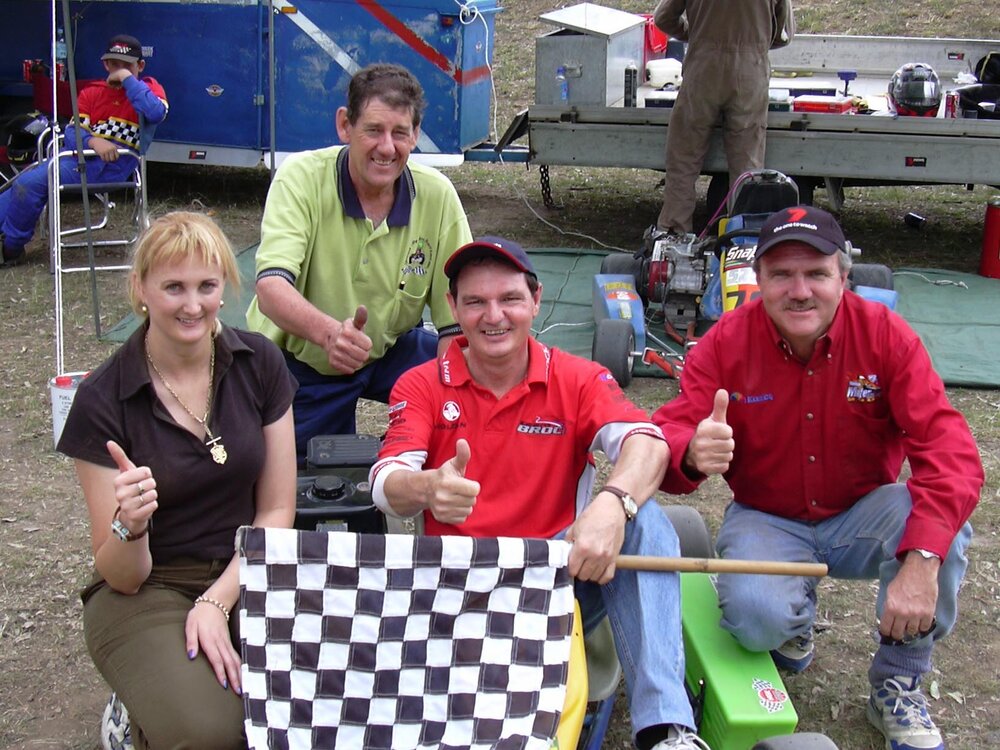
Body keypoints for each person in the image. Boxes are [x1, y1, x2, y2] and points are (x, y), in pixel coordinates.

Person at [652, 206, 982, 750]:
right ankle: (792, 620)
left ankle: (897, 682)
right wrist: (690, 453)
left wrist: (922, 560)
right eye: (781, 274)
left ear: (843, 277)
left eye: (816, 274)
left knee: (943, 531)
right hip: (767, 515)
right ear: (757, 281)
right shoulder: (725, 343)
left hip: (864, 512)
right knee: (757, 622)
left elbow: (950, 451)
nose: (799, 291)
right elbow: (668, 434)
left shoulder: (887, 337)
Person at [369, 236, 710, 750]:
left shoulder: (578, 377)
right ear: (453, 309)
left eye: (508, 299)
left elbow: (648, 444)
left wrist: (614, 503)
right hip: (459, 589)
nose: (494, 316)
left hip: (560, 579)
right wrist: (426, 487)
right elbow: (385, 480)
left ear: (535, 300)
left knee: (646, 520)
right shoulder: (420, 384)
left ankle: (665, 730)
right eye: (475, 302)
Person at [57, 212, 298, 749]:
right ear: (140, 289)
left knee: (318, 705)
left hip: (249, 570)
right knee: (213, 733)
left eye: (206, 286)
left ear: (224, 287)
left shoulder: (260, 363)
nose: (193, 305)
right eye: (173, 287)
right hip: (149, 589)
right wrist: (131, 525)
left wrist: (216, 602)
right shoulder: (102, 400)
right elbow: (120, 574)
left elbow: (277, 510)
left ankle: (164, 689)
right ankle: (137, 711)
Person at [246, 62, 473, 464]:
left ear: (416, 135)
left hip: (387, 347)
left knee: (477, 377)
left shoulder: (437, 196)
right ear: (344, 126)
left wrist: (450, 403)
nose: (387, 147)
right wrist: (330, 334)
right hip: (303, 357)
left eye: (400, 133)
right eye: (373, 130)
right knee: (312, 482)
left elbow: (456, 325)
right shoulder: (300, 178)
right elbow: (270, 289)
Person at [0, 34, 168, 265]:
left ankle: (11, 248)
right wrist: (93, 142)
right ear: (105, 64)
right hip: (80, 160)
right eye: (114, 65)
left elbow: (156, 113)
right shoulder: (92, 92)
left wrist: (128, 79)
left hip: (115, 166)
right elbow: (72, 133)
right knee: (22, 181)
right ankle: (8, 238)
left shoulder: (149, 89)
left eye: (127, 65)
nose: (119, 70)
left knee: (29, 184)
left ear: (140, 66)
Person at [652, 0, 791, 234]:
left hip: (703, 68)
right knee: (747, 165)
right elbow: (783, 33)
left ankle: (674, 231)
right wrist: (754, 44)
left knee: (683, 160)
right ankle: (743, 233)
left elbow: (663, 18)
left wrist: (692, 33)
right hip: (750, 72)